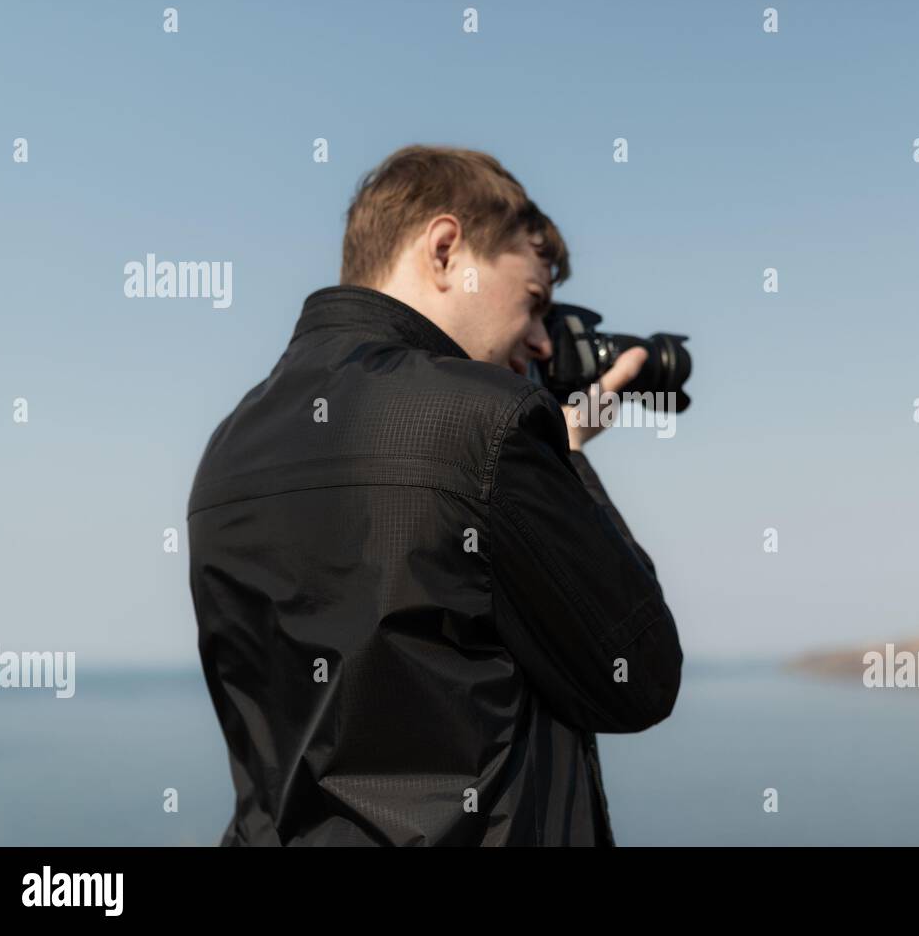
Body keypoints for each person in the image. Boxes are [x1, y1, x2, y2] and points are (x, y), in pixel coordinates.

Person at [187, 144, 683, 846]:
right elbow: (640, 676)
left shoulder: (227, 447)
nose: (544, 345)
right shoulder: (488, 421)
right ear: (447, 249)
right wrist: (564, 455)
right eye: (536, 302)